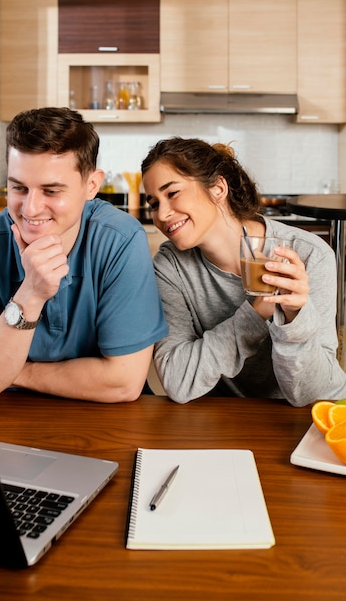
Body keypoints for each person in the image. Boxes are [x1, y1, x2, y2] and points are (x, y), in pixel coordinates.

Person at [0, 107, 167, 407]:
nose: (30, 209)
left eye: (51, 191)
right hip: (6, 411)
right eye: (19, 187)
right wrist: (32, 294)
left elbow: (125, 383)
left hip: (103, 416)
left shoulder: (121, 239)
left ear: (91, 185)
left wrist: (8, 373)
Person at [141, 136, 346, 406]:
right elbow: (178, 381)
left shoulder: (309, 254)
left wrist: (295, 318)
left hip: (310, 421)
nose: (162, 214)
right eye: (154, 203)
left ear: (217, 188)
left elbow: (309, 395)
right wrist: (255, 314)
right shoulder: (170, 267)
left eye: (172, 193)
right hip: (223, 419)